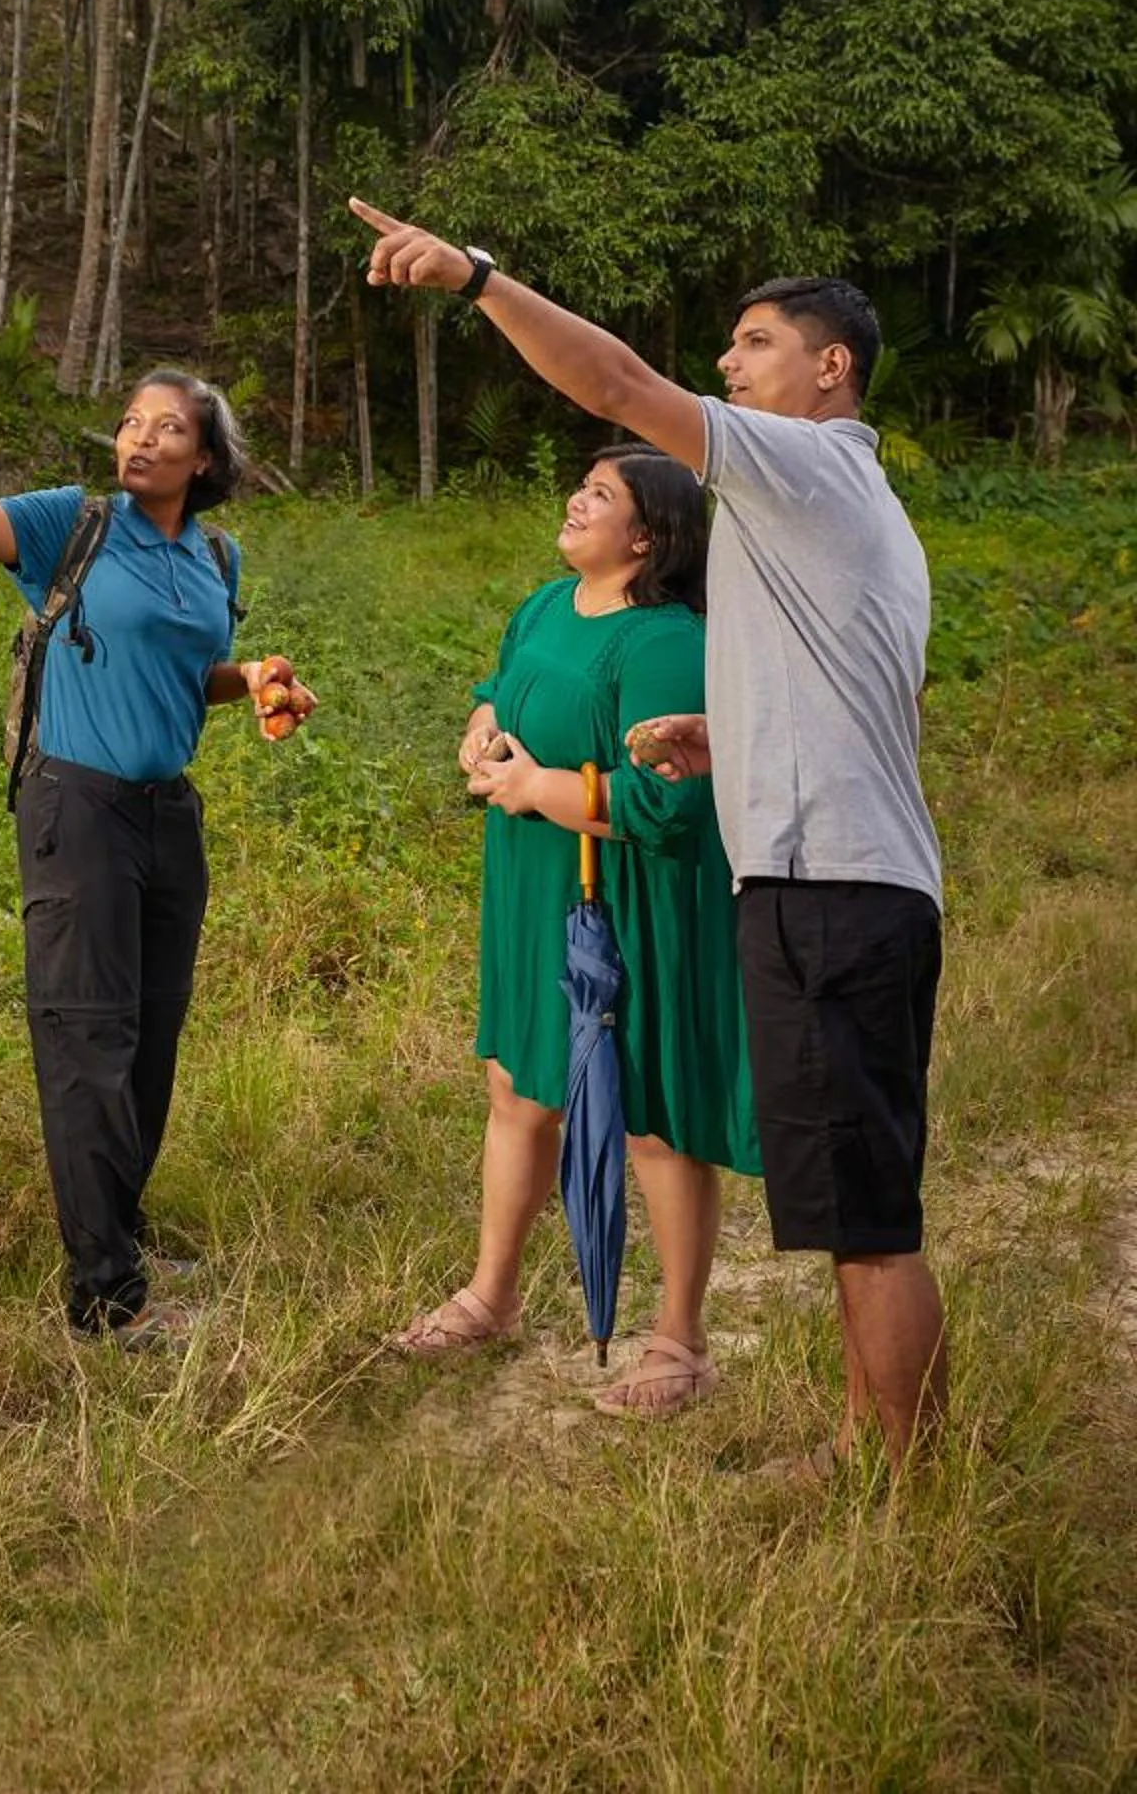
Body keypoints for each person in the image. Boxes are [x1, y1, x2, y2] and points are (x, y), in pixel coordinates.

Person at [353, 207, 945, 1474]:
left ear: (828, 367)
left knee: (867, 1218)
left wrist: (475, 279)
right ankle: (875, 1451)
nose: (727, 367)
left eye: (753, 343)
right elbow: (866, 700)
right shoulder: (843, 510)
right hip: (828, 879)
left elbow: (615, 380)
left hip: (833, 891)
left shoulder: (810, 466)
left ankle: (900, 1476)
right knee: (850, 1205)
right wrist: (723, 738)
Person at [0, 333, 317, 1347]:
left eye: (169, 427)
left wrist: (246, 679)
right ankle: (104, 1300)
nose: (142, 438)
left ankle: (118, 1233)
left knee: (149, 1039)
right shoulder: (67, 524)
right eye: (131, 421)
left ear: (205, 459)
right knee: (86, 1042)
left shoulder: (213, 555)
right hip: (74, 807)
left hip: (167, 813)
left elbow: (184, 670)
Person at [393, 447, 759, 1416]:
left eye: (599, 496)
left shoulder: (663, 641)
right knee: (517, 1086)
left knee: (647, 1120)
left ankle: (678, 1340)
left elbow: (669, 804)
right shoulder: (546, 607)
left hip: (629, 899)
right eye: (580, 486)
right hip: (532, 883)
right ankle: (491, 1295)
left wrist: (531, 787)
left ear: (645, 537)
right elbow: (496, 686)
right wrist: (479, 736)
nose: (573, 499)